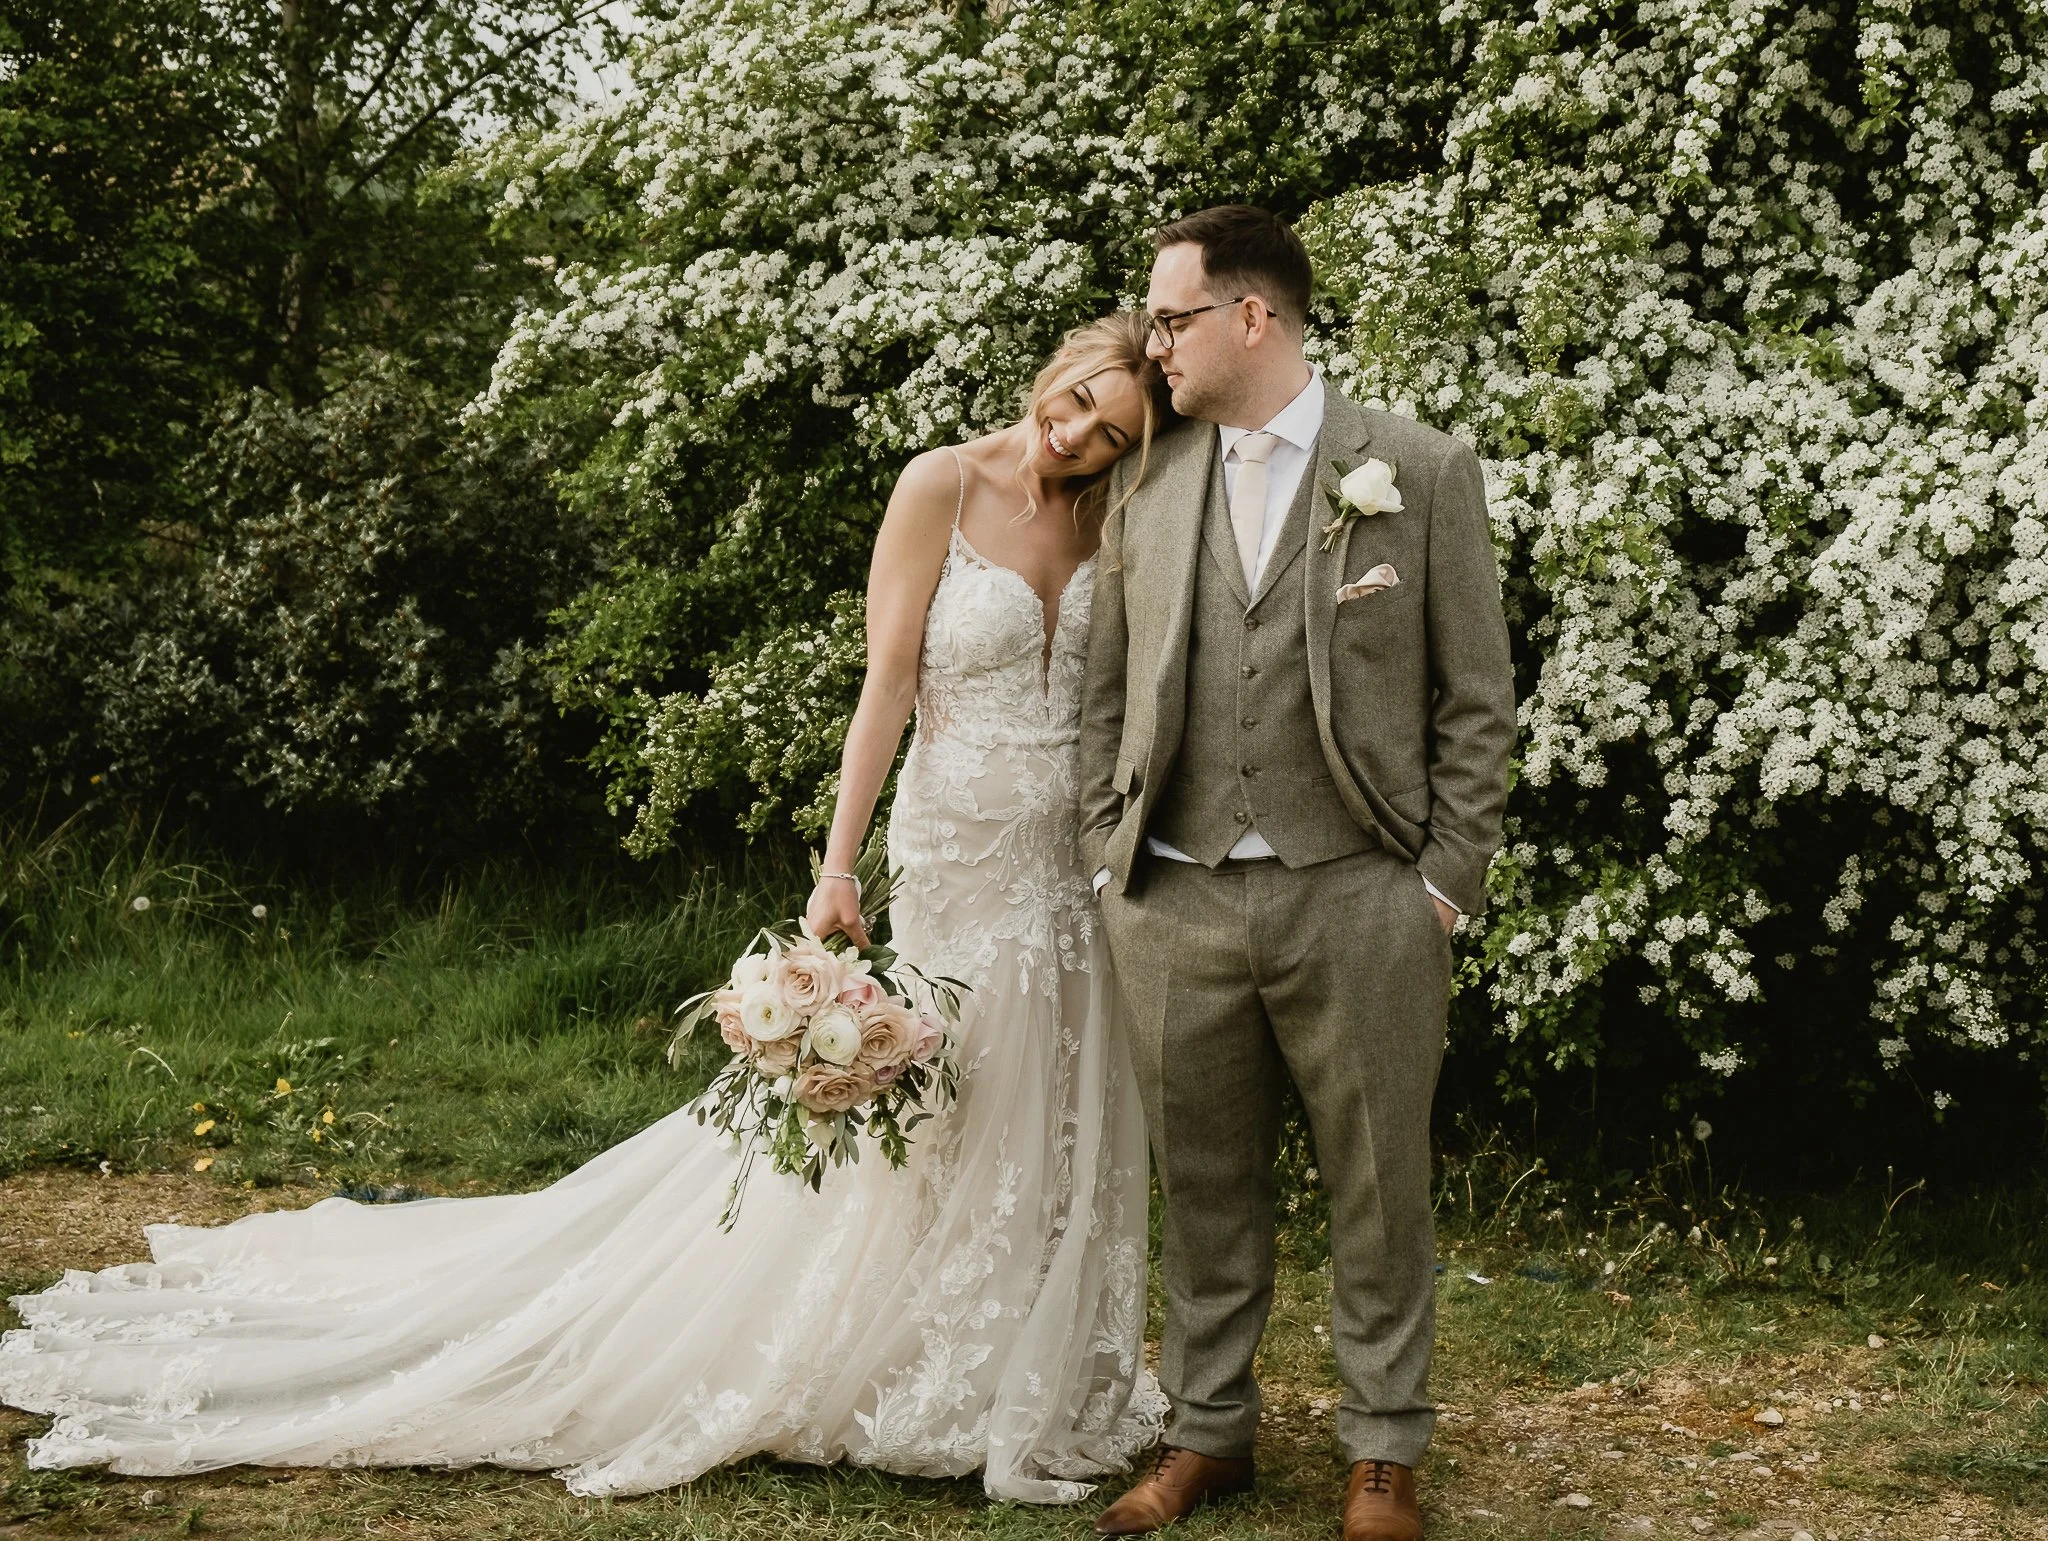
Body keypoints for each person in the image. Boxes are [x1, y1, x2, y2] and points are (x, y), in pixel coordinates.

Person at [0, 313, 1175, 1505]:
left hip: (1068, 862)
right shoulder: (940, 483)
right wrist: (836, 867)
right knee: (932, 1092)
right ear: (1055, 369)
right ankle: (903, 1348)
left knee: (1047, 1092)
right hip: (955, 847)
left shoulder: (1120, 516)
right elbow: (888, 683)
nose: (1075, 434)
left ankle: (1010, 1356)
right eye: (1077, 399)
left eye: (1109, 433)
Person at [1079, 207, 1516, 1541]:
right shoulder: (1148, 479)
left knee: (1379, 1185)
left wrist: (1443, 881)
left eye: (1172, 320)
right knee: (1204, 1185)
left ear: (1251, 317)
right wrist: (1108, 858)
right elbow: (1106, 690)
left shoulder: (1417, 470)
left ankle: (1383, 1448)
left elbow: (1476, 700)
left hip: (1361, 894)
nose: (1154, 346)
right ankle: (1208, 1429)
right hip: (1175, 893)